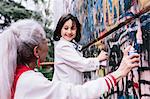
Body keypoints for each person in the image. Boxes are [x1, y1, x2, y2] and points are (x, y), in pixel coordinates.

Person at [0, 19, 139, 99]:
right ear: (36, 51)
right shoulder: (29, 81)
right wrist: (119, 72)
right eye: (45, 41)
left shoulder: (14, 76)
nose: (48, 44)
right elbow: (77, 93)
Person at [53, 13, 108, 85]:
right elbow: (81, 64)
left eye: (72, 28)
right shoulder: (62, 47)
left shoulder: (71, 44)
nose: (69, 32)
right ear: (60, 29)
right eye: (66, 28)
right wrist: (98, 59)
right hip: (65, 90)